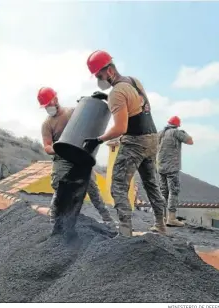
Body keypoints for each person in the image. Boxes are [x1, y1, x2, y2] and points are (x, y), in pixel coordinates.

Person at [83, 50, 167, 237]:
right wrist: (107, 98)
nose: (99, 79)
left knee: (118, 185)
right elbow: (135, 103)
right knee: (151, 183)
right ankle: (161, 226)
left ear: (110, 70)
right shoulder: (133, 81)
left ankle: (125, 232)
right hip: (152, 138)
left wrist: (97, 140)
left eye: (100, 75)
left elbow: (120, 128)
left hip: (135, 142)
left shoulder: (117, 93)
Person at [37, 86, 116, 228]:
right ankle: (55, 221)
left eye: (49, 103)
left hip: (80, 155)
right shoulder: (47, 124)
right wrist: (59, 148)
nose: (48, 107)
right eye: (45, 106)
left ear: (56, 99)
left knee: (92, 188)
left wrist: (91, 103)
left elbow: (88, 121)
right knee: (60, 187)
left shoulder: (73, 112)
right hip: (62, 156)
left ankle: (108, 220)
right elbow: (47, 146)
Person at [157, 116, 193, 227]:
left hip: (160, 167)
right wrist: (184, 132)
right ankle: (171, 218)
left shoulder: (160, 133)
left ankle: (161, 217)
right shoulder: (176, 132)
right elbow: (190, 141)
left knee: (164, 192)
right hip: (172, 167)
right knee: (174, 191)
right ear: (177, 124)